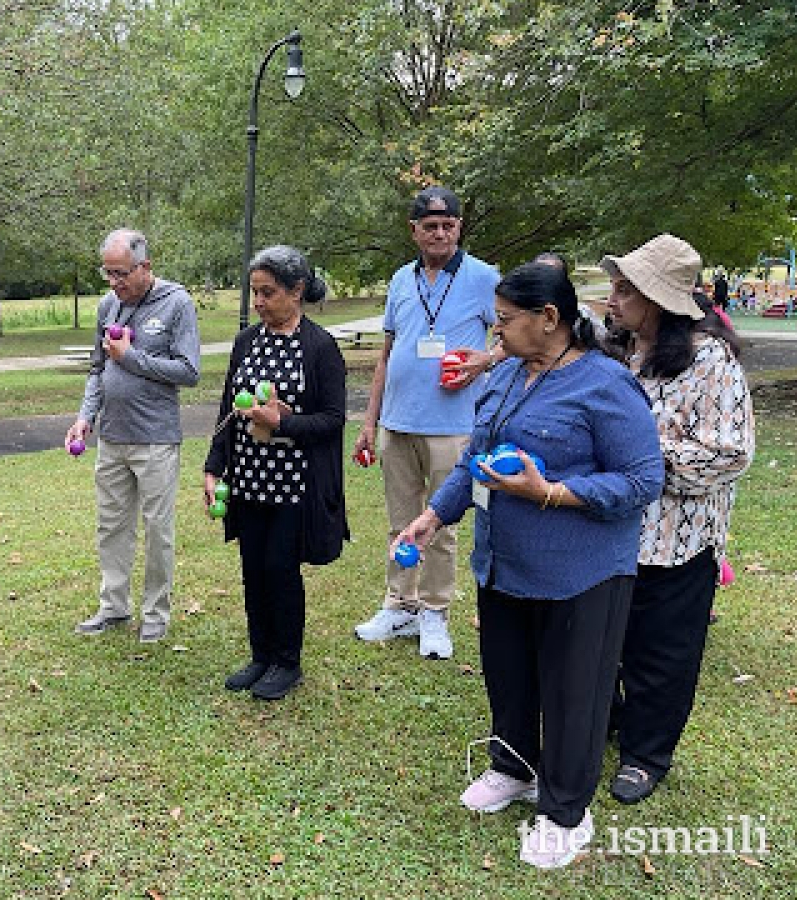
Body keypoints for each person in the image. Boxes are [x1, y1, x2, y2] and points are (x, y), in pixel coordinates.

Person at [396, 262, 663, 869]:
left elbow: (643, 479)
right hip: (504, 563)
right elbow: (474, 461)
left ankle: (567, 809)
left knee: (575, 690)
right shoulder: (504, 376)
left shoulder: (604, 385)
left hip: (581, 571)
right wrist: (433, 517)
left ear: (549, 320)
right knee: (509, 673)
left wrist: (551, 493)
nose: (497, 332)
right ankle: (513, 767)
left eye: (506, 321)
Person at [601, 234, 754, 804]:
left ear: (657, 300)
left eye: (624, 290)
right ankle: (610, 724)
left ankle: (646, 754)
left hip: (676, 538)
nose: (612, 300)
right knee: (608, 638)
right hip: (610, 530)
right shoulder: (617, 353)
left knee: (661, 651)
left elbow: (728, 452)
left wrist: (641, 458)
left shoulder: (709, 360)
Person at [353, 186, 499, 659]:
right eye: (430, 226)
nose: (440, 233)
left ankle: (435, 613)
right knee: (400, 521)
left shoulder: (482, 278)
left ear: (458, 227)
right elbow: (386, 355)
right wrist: (370, 421)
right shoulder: (401, 280)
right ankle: (400, 604)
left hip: (454, 425)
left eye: (449, 225)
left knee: (443, 523)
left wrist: (483, 361)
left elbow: (517, 336)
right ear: (414, 231)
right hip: (398, 422)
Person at [204, 246, 347, 700]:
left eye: (268, 293)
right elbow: (229, 409)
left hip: (293, 483)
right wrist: (214, 467)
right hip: (247, 479)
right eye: (255, 293)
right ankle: (260, 655)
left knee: (280, 569)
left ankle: (287, 661)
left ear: (297, 291)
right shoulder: (247, 341)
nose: (260, 302)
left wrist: (281, 423)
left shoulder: (319, 346)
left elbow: (332, 419)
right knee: (252, 569)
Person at [66, 229, 201, 643]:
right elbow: (96, 369)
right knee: (111, 526)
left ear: (145, 267)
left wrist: (132, 359)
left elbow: (189, 371)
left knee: (158, 530)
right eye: (107, 273)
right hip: (113, 437)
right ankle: (114, 608)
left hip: (156, 439)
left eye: (120, 273)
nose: (113, 282)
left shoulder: (177, 303)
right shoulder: (109, 305)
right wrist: (86, 416)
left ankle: (156, 614)